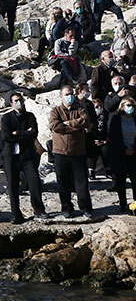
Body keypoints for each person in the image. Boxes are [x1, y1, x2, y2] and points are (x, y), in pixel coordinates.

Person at [0, 93, 49, 223]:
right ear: (11, 104)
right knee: (13, 186)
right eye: (15, 101)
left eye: (20, 100)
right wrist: (24, 133)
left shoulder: (30, 116)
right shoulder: (6, 118)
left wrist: (17, 133)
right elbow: (6, 137)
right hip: (11, 157)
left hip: (27, 156)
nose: (18, 102)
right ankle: (16, 214)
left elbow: (34, 133)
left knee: (34, 181)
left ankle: (39, 210)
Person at [49, 85, 95, 219]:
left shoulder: (80, 109)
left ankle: (86, 208)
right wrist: (76, 126)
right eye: (66, 94)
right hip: (60, 152)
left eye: (71, 94)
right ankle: (67, 208)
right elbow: (55, 126)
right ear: (61, 96)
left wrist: (67, 124)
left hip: (78, 151)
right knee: (63, 182)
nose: (69, 96)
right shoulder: (55, 111)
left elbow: (86, 121)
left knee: (81, 182)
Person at [108, 97, 136, 214]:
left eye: (132, 106)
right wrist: (124, 149)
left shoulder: (135, 119)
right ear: (122, 106)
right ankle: (122, 204)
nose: (130, 108)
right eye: (128, 105)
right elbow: (114, 136)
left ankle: (134, 206)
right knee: (121, 180)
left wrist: (133, 148)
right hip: (119, 153)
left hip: (133, 152)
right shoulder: (116, 119)